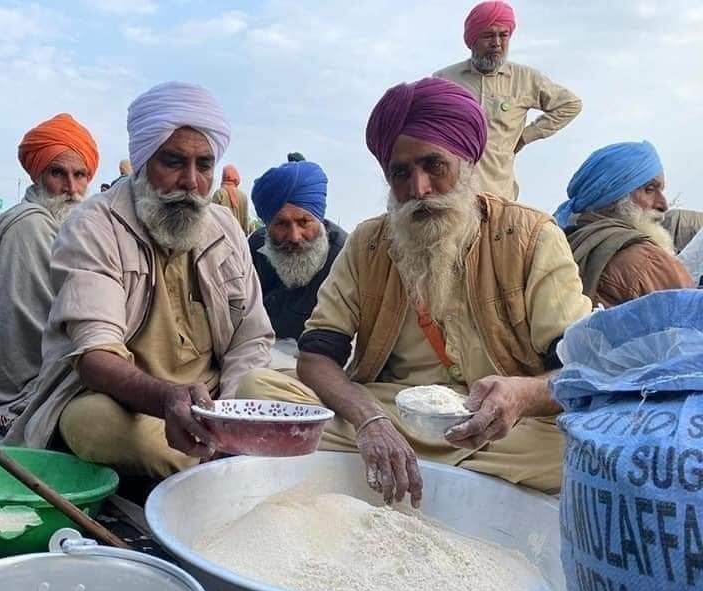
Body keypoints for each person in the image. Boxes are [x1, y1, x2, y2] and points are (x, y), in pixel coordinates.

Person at [237, 77, 592, 502]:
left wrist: (522, 394)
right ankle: (438, 477)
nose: (418, 190)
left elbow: (579, 370)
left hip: (500, 430)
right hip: (393, 415)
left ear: (468, 161)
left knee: (580, 446)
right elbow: (315, 357)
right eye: (400, 173)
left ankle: (391, 473)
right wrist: (369, 421)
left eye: (434, 166)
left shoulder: (531, 237)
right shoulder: (369, 243)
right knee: (258, 389)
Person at [10, 81, 274, 480]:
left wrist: (231, 412)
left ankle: (226, 461)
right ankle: (232, 473)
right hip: (126, 401)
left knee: (292, 394)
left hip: (215, 398)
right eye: (173, 162)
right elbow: (96, 357)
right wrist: (168, 398)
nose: (191, 182)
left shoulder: (225, 229)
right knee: (93, 422)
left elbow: (251, 337)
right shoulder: (94, 225)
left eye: (204, 165)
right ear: (144, 160)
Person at [0, 112, 100, 435]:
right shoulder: (32, 226)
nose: (71, 188)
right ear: (38, 176)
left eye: (80, 175)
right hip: (14, 391)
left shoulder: (62, 226)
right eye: (59, 173)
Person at [434, 1, 581, 200]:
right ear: (472, 39)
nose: (496, 43)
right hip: (451, 197)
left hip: (499, 197)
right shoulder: (444, 80)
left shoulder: (524, 79)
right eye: (488, 35)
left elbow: (570, 104)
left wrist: (525, 136)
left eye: (503, 35)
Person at [555, 141, 695, 308]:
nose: (663, 205)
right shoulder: (646, 261)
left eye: (661, 191)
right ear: (613, 196)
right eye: (650, 189)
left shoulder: (563, 247)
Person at [247, 160, 347, 339]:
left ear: (319, 219)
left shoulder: (344, 257)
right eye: (281, 224)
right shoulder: (255, 248)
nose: (294, 236)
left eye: (304, 222)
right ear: (268, 226)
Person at [211, 164, 251, 234]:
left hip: (222, 239)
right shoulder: (243, 196)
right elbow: (245, 222)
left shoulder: (219, 193)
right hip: (239, 239)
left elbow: (211, 219)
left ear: (224, 176)